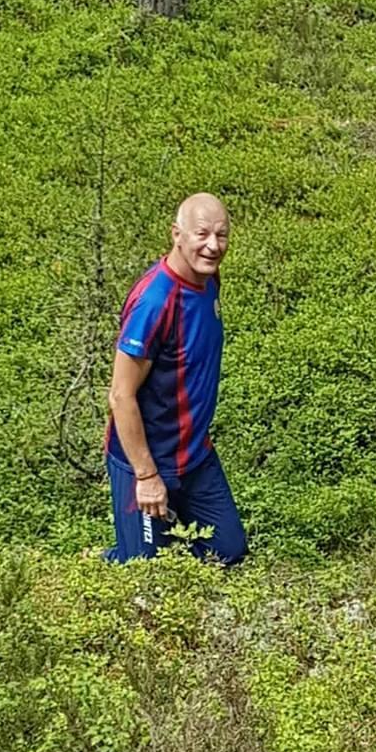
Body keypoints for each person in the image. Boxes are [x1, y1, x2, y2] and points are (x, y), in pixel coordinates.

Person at [103, 193, 247, 565]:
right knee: (147, 574)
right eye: (202, 234)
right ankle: (116, 557)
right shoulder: (154, 302)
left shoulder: (209, 278)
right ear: (176, 235)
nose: (213, 246)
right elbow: (121, 395)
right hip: (146, 461)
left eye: (222, 235)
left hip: (194, 455)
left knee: (228, 553)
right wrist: (147, 476)